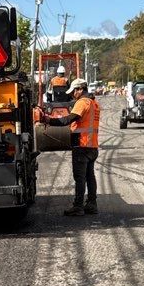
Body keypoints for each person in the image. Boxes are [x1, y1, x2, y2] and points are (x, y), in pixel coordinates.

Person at [48, 77, 100, 216]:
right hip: (92, 146)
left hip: (81, 145)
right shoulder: (94, 103)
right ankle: (91, 204)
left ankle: (78, 206)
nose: (72, 95)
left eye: (74, 92)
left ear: (80, 89)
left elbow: (67, 119)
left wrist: (48, 120)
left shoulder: (82, 102)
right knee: (90, 176)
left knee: (80, 177)